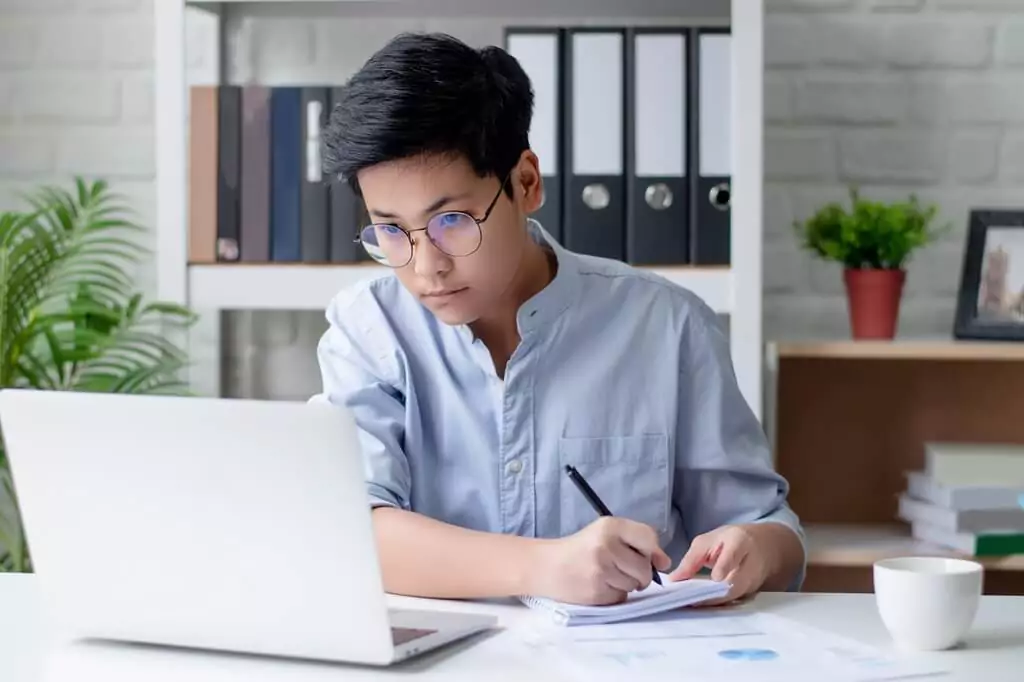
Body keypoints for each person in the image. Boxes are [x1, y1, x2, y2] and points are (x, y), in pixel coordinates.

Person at [312, 31, 805, 607]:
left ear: (525, 182)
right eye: (391, 231)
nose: (427, 268)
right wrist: (546, 566)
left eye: (452, 220)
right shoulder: (369, 328)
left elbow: (770, 528)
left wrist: (754, 546)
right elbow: (352, 527)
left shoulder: (668, 327)